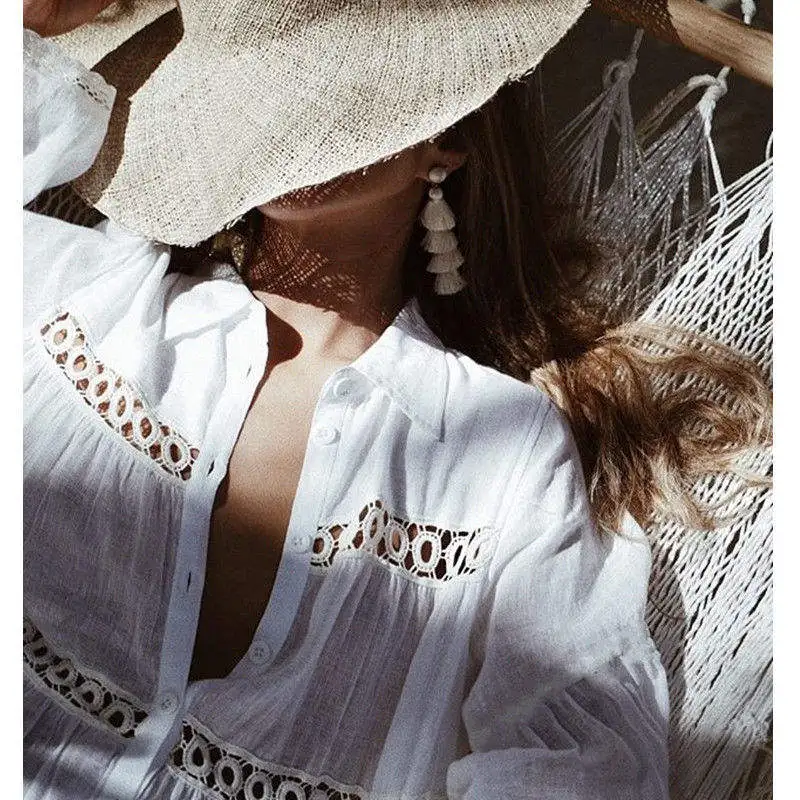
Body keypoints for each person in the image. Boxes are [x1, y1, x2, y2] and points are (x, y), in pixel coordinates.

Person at [23, 1, 770, 799]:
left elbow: (581, 764)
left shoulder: (502, 455)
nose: (296, 120)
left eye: (350, 88)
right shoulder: (84, 304)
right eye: (273, 82)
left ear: (445, 138)